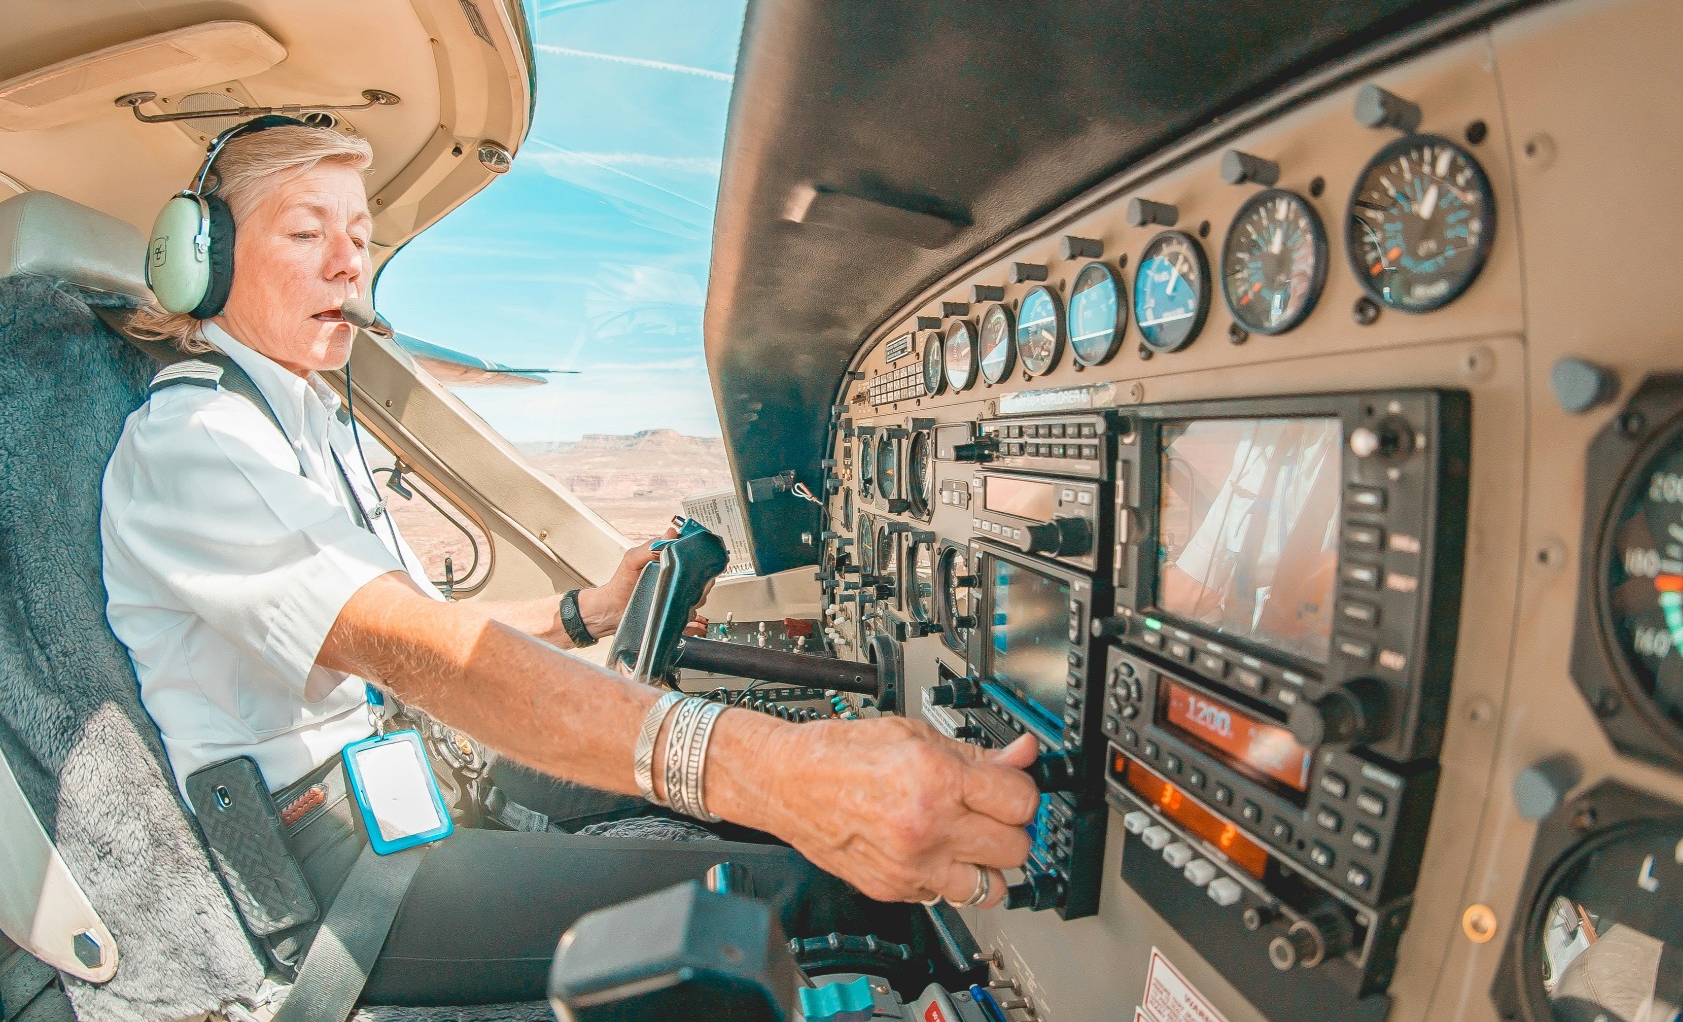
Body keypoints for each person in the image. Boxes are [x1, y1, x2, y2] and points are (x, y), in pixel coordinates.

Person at [100, 122, 1038, 1003]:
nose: (350, 263)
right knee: (791, 890)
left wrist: (589, 610)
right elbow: (415, 652)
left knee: (744, 811)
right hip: (331, 865)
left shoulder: (301, 417)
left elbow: (435, 636)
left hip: (397, 784)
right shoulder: (202, 441)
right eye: (307, 233)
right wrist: (780, 771)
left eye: (359, 233)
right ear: (204, 260)